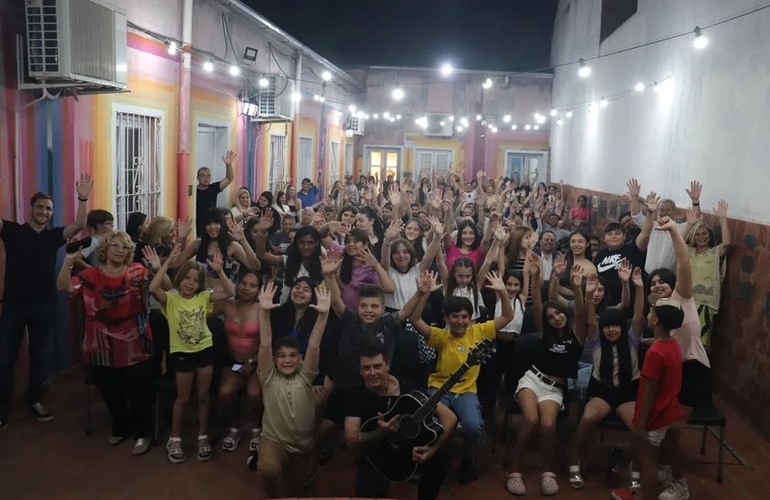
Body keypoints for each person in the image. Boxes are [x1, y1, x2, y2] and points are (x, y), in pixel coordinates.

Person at [0, 174, 93, 430]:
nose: (44, 212)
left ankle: (35, 403)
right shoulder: (13, 231)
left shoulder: (53, 236)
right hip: (13, 305)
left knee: (38, 356)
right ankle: (2, 411)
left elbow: (78, 225)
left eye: (48, 209)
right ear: (31, 209)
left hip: (44, 305)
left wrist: (82, 198)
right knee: (5, 358)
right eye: (40, 207)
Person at [57, 231, 163, 455]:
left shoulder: (138, 271)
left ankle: (144, 432)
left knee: (139, 391)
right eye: (114, 245)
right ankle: (121, 424)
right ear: (105, 249)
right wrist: (68, 262)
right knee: (109, 389)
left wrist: (156, 267)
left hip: (136, 344)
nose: (119, 250)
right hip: (101, 346)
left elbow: (166, 286)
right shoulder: (91, 276)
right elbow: (63, 287)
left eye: (124, 247)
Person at [410, 270, 514, 484]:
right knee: (432, 425)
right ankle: (435, 465)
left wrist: (503, 292)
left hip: (466, 392)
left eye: (464, 316)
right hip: (438, 391)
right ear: (446, 318)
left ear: (470, 317)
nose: (460, 321)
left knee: (474, 427)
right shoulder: (440, 336)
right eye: (455, 317)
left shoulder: (479, 331)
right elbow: (415, 319)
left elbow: (507, 317)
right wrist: (423, 294)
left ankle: (467, 463)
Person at [504, 256, 588, 496]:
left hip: (554, 389)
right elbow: (538, 304)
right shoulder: (544, 335)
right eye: (551, 317)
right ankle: (514, 470)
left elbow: (581, 314)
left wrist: (576, 287)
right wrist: (536, 275)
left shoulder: (577, 336)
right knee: (530, 419)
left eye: (559, 314)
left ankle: (547, 472)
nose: (556, 318)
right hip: (532, 380)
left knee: (549, 424)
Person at [645, 215, 712, 500]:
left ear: (674, 285)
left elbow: (683, 263)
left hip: (693, 370)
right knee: (666, 430)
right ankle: (664, 469)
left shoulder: (682, 299)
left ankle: (680, 484)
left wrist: (674, 230)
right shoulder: (660, 311)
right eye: (654, 283)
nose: (658, 285)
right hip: (673, 372)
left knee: (673, 430)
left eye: (663, 282)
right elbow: (662, 340)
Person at [150, 245, 235, 463]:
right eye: (187, 278)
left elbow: (230, 292)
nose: (190, 283)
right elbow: (153, 289)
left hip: (204, 351)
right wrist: (166, 264)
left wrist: (220, 270)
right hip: (182, 354)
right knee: (183, 398)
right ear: (180, 278)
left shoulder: (204, 297)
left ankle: (202, 435)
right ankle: (175, 437)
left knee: (204, 396)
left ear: (201, 284)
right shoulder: (171, 299)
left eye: (195, 280)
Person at [343, 341, 457, 500]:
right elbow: (351, 439)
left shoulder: (406, 388)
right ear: (360, 371)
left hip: (408, 449)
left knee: (442, 456)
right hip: (376, 455)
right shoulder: (355, 395)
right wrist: (380, 433)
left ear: (387, 365)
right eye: (366, 368)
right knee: (367, 494)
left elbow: (449, 417)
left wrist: (432, 450)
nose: (372, 373)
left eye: (377, 366)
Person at [569, 269, 645, 491]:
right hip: (602, 390)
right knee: (587, 419)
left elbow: (639, 316)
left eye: (616, 326)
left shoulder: (632, 340)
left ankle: (636, 466)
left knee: (639, 429)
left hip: (627, 392)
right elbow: (591, 320)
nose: (612, 330)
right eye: (608, 327)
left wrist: (639, 287)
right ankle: (575, 461)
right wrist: (589, 295)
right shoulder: (596, 341)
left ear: (622, 327)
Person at [254, 281, 331, 497]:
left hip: (302, 447)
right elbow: (265, 345)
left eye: (292, 356)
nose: (287, 360)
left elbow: (314, 346)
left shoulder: (306, 377)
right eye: (282, 356)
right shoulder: (268, 377)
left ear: (300, 360)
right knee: (268, 470)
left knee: (297, 488)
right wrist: (264, 312)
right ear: (275, 361)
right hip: (274, 441)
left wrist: (323, 316)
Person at [611, 293, 685, 500]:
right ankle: (679, 484)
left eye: (651, 312)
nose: (648, 313)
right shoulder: (672, 344)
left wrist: (641, 423)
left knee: (648, 459)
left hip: (655, 413)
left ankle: (644, 496)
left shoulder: (655, 354)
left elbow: (649, 391)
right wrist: (644, 340)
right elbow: (659, 343)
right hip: (669, 408)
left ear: (656, 320)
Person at [212, 269, 264, 454]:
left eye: (252, 285)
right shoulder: (227, 306)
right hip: (233, 362)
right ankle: (234, 429)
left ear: (258, 290)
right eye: (243, 283)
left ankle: (257, 430)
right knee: (225, 393)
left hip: (257, 362)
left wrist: (253, 362)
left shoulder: (262, 309)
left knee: (254, 393)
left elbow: (268, 342)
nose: (246, 288)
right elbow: (200, 310)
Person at [684, 200, 731, 347]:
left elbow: (727, 243)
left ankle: (697, 368)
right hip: (687, 302)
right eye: (697, 234)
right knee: (684, 339)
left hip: (705, 305)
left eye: (704, 233)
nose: (701, 237)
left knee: (700, 342)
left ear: (709, 235)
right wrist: (689, 225)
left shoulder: (714, 253)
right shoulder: (689, 252)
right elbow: (677, 241)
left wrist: (723, 220)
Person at [195, 150, 235, 236]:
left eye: (208, 175)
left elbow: (229, 178)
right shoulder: (193, 192)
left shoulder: (213, 188)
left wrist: (228, 165)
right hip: (197, 225)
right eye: (203, 175)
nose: (206, 178)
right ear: (197, 178)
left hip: (211, 224)